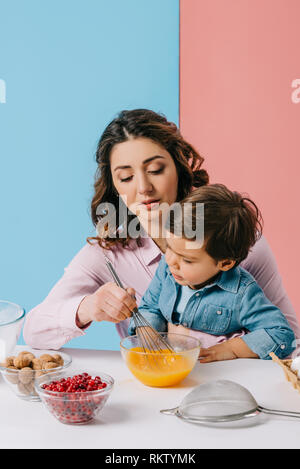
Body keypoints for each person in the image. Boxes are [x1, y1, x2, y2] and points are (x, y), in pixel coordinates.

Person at [23, 109, 300, 351]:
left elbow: (289, 338)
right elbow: (33, 331)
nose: (143, 187)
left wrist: (192, 341)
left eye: (155, 169)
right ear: (114, 186)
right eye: (126, 177)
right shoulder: (108, 253)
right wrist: (88, 308)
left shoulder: (233, 240)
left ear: (177, 166)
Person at [128, 184, 295, 361]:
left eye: (187, 259)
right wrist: (148, 336)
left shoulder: (242, 293)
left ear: (225, 263)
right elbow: (150, 307)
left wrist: (230, 349)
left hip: (218, 374)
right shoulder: (167, 268)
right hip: (176, 367)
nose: (170, 261)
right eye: (169, 247)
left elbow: (280, 334)